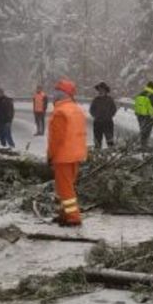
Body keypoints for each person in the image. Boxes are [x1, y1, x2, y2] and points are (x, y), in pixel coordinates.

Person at [47, 78, 88, 226]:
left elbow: (56, 139)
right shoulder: (76, 109)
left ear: (61, 94)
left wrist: (50, 155)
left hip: (63, 156)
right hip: (76, 154)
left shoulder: (60, 112)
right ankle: (65, 213)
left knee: (64, 188)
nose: (53, 94)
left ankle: (73, 217)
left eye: (56, 91)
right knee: (68, 186)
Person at [89, 82, 117, 149]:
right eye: (99, 90)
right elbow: (91, 110)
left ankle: (112, 154)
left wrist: (108, 116)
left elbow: (114, 109)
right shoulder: (95, 100)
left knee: (110, 140)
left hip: (108, 123)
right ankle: (97, 154)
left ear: (106, 91)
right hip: (97, 123)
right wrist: (96, 116)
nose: (101, 91)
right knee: (97, 141)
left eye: (102, 90)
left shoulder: (110, 99)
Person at [133, 81, 153, 148]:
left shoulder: (141, 93)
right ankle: (144, 145)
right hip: (148, 116)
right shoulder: (151, 95)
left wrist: (137, 113)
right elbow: (152, 107)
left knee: (142, 130)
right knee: (147, 131)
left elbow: (136, 104)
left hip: (140, 115)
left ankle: (142, 144)